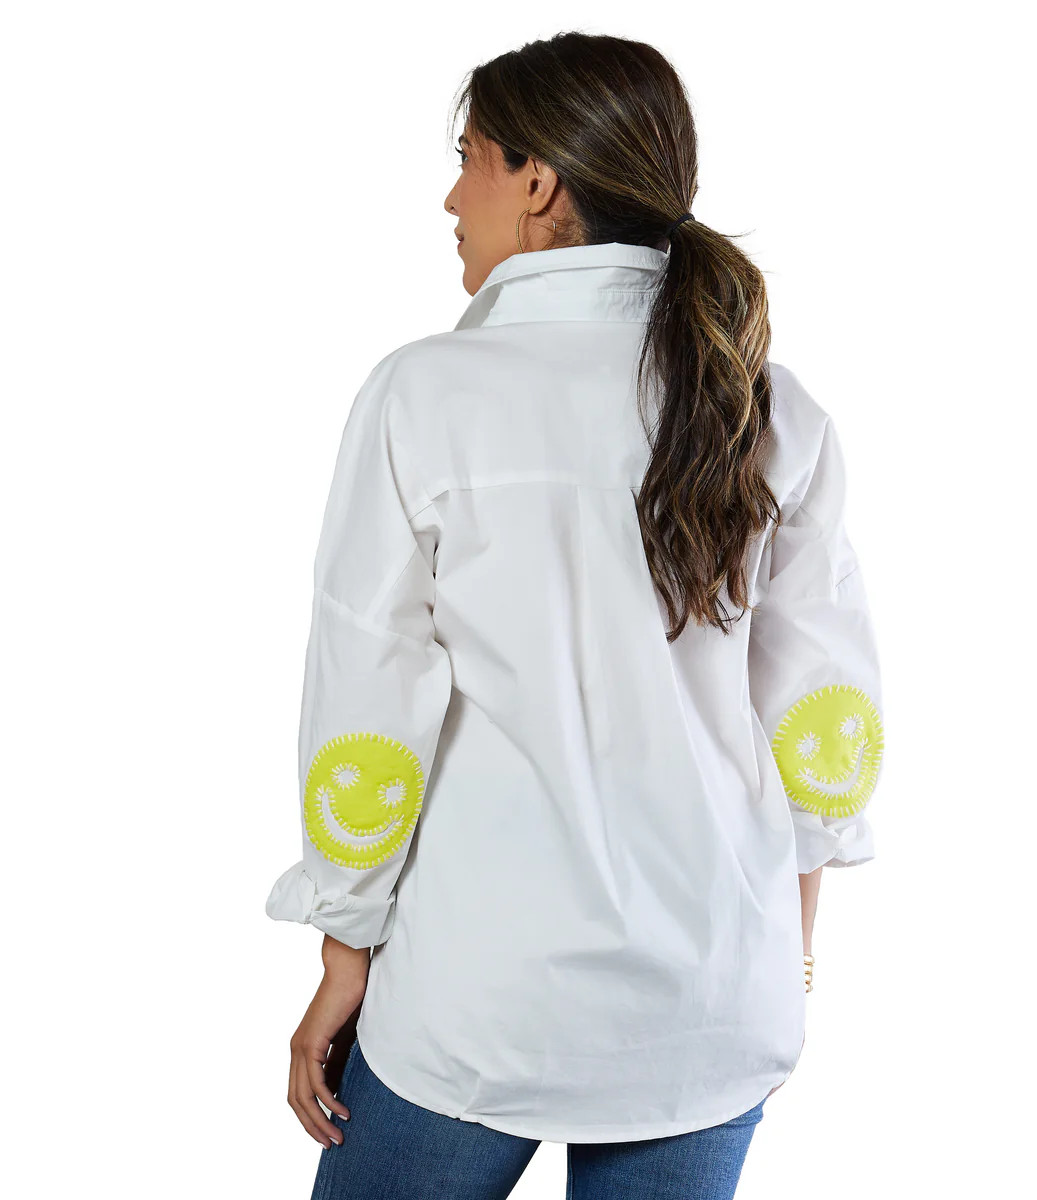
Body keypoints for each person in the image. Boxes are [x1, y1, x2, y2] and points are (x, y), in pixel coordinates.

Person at [264, 30, 884, 1200]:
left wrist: (345, 949)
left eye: (470, 159)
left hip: (477, 1008)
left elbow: (369, 701)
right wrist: (782, 959)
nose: (452, 198)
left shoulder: (423, 396)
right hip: (712, 1004)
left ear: (539, 180)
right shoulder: (767, 403)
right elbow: (825, 718)